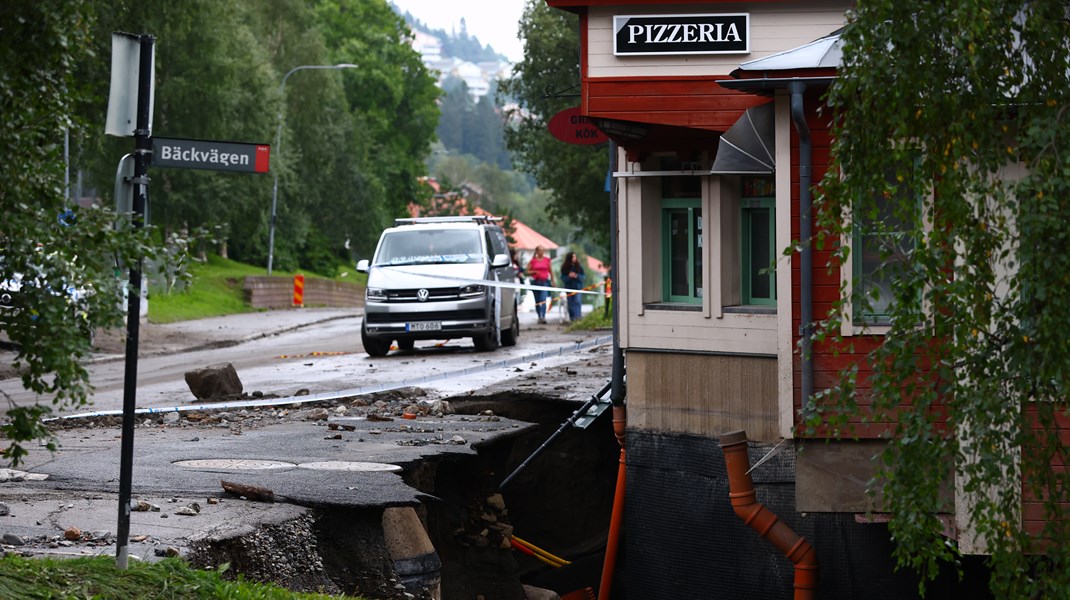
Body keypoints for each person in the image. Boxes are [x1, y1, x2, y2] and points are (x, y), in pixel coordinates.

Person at [528, 246, 553, 324]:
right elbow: (527, 271)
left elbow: (551, 271)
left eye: (543, 250)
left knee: (543, 299)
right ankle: (539, 315)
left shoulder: (547, 260)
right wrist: (534, 272)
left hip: (544, 282)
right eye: (540, 250)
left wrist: (553, 281)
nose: (541, 252)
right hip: (535, 282)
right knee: (537, 300)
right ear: (537, 251)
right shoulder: (533, 261)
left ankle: (543, 316)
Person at [560, 251, 585, 322]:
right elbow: (563, 278)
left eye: (575, 256)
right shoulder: (564, 268)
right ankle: (573, 318)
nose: (574, 258)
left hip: (578, 288)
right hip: (569, 288)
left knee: (577, 302)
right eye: (573, 257)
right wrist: (569, 276)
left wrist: (576, 276)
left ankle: (578, 317)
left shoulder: (579, 267)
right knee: (570, 303)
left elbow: (583, 277)